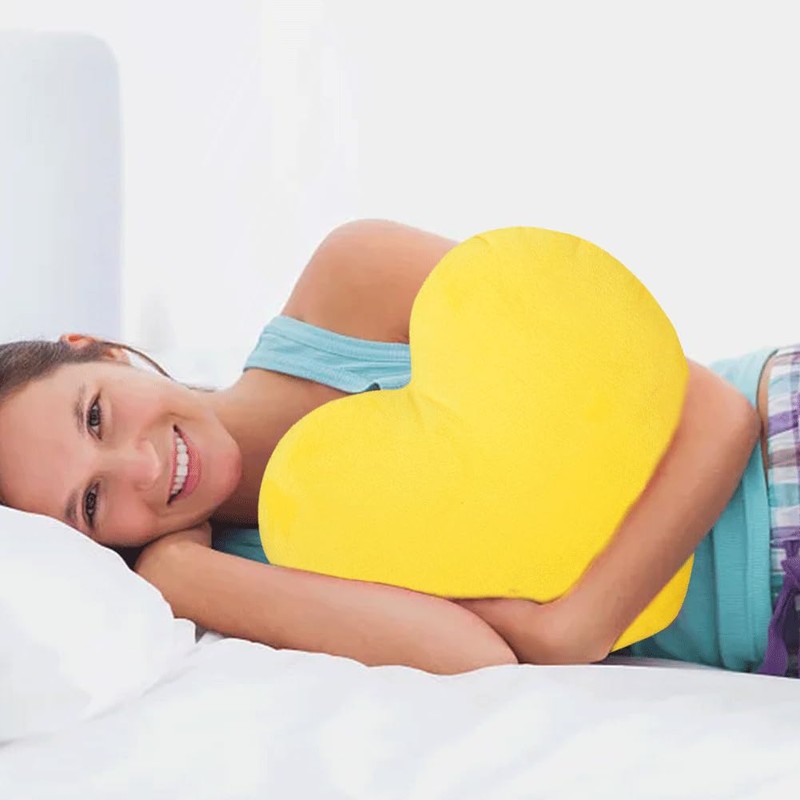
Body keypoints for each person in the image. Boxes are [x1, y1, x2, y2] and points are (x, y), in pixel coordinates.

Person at [0, 218, 788, 677]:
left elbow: (718, 415)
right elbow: (473, 659)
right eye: (91, 503)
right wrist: (186, 576)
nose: (143, 467)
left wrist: (572, 629)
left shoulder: (349, 288)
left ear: (103, 351)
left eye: (96, 416)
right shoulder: (244, 580)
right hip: (774, 635)